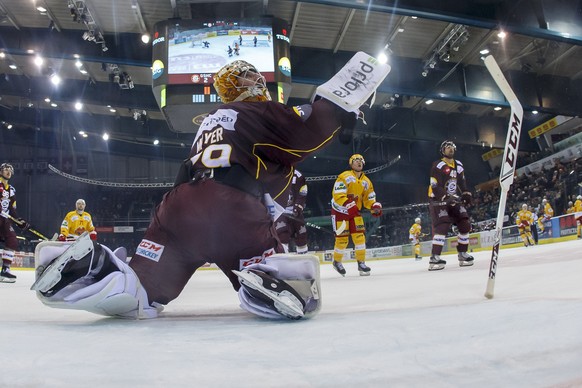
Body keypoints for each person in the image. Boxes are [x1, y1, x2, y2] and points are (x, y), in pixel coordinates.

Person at [30, 54, 390, 320]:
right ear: (243, 87)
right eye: (251, 76)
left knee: (143, 292)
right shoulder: (256, 112)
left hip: (176, 210)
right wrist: (342, 108)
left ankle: (95, 267)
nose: (258, 80)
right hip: (229, 211)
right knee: (296, 291)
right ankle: (269, 276)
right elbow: (308, 131)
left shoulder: (209, 124)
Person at [330, 154, 382, 276]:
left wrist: (374, 206)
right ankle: (337, 262)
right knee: (342, 239)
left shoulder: (366, 181)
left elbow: (369, 198)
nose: (359, 162)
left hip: (354, 212)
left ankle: (361, 263)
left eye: (361, 160)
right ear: (351, 164)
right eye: (356, 160)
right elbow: (338, 194)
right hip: (340, 211)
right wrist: (348, 203)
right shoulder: (344, 176)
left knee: (360, 237)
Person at [427, 140, 474, 271]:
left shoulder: (458, 165)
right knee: (443, 225)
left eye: (452, 147)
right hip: (437, 200)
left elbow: (462, 182)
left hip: (452, 199)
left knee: (465, 223)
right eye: (447, 147)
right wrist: (445, 197)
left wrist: (466, 193)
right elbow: (435, 185)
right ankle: (434, 257)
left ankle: (462, 254)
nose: (450, 149)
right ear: (442, 151)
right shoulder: (438, 165)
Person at [0, 163, 30, 283]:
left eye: (10, 170)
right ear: (1, 172)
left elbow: (12, 208)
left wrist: (18, 220)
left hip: (4, 218)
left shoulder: (11, 190)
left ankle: (5, 269)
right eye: (5, 169)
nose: (8, 172)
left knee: (12, 240)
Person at [275, 169, 309, 254]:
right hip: (279, 212)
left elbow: (302, 192)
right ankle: (283, 259)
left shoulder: (298, 175)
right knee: (282, 235)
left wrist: (298, 206)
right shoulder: (271, 173)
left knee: (302, 235)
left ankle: (303, 259)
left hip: (295, 212)